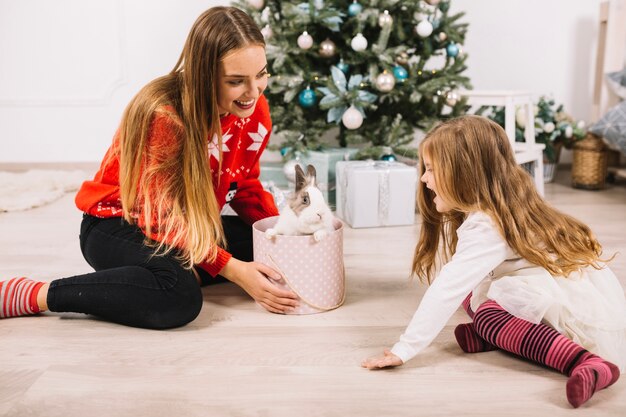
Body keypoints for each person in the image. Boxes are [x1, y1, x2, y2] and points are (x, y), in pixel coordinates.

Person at [0, 6, 299, 327]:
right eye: (236, 81)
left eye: (261, 74)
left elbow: (245, 186)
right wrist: (233, 269)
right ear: (205, 75)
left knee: (264, 245)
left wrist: (279, 235)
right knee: (179, 296)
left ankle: (160, 273)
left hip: (189, 223)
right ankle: (35, 293)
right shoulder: (164, 115)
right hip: (118, 224)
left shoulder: (254, 111)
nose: (254, 93)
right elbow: (161, 219)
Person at [361, 115, 625, 408]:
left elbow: (445, 288)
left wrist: (405, 348)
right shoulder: (498, 203)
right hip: (557, 282)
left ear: (464, 175)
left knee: (486, 315)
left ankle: (587, 362)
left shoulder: (487, 224)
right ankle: (498, 336)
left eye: (433, 170)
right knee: (472, 296)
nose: (424, 178)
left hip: (563, 298)